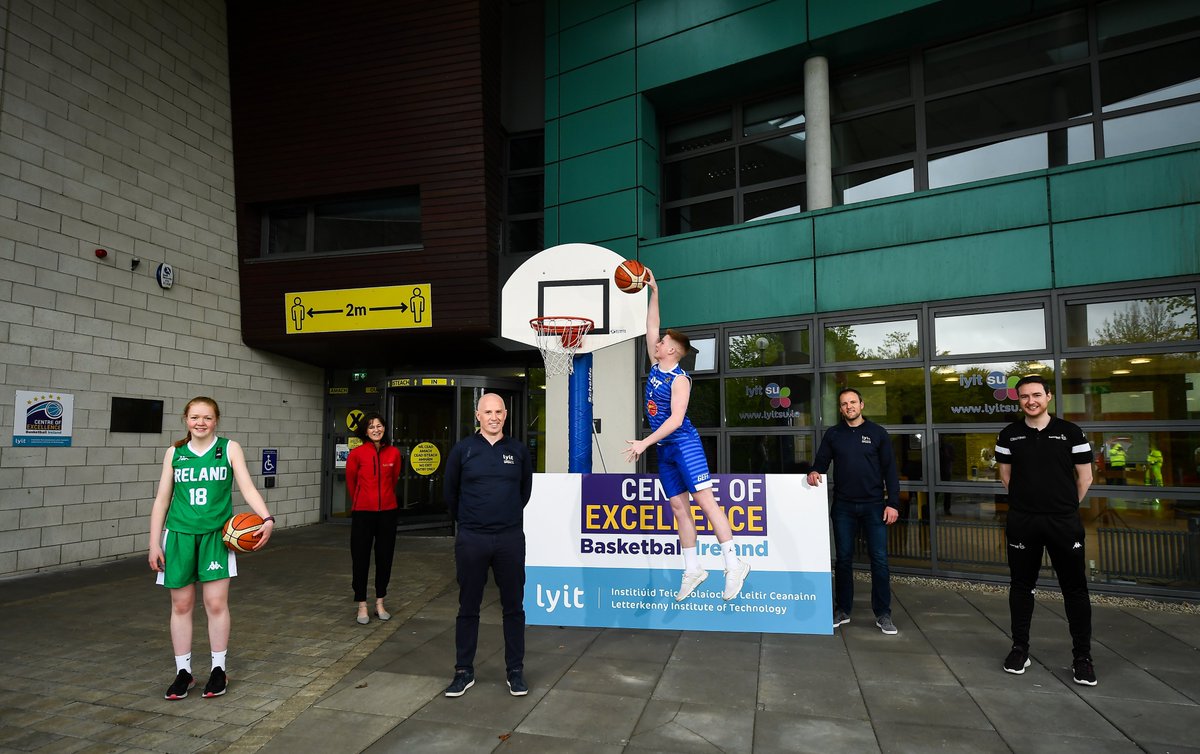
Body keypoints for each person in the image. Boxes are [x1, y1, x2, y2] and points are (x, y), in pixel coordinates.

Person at [624, 268, 751, 603]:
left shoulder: (680, 379)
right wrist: (655, 290)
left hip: (683, 443)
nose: (658, 342)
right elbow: (652, 325)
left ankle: (733, 564)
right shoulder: (655, 364)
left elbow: (676, 420)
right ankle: (693, 568)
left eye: (664, 342)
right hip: (664, 447)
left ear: (673, 352)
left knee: (705, 502)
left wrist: (644, 442)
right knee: (679, 507)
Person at [148, 396, 274, 700]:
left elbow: (246, 486)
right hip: (178, 535)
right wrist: (154, 542)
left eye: (206, 417)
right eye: (194, 417)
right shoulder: (175, 453)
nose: (200, 423)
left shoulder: (229, 449)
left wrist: (267, 518)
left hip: (216, 537)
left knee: (216, 605)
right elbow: (162, 499)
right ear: (185, 419)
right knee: (181, 606)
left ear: (215, 420)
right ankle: (183, 673)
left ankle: (218, 669)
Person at [994, 375, 1096, 686]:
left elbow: (1086, 478)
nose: (1031, 401)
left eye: (1036, 394)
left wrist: (1063, 507)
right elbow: (1006, 477)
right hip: (1024, 521)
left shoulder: (1071, 433)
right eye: (1024, 396)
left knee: (1075, 589)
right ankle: (1019, 649)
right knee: (1021, 587)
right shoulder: (1009, 435)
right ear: (1019, 399)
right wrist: (1030, 505)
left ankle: (1082, 658)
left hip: (1063, 522)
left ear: (1048, 396)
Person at [443, 393, 533, 698]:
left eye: (498, 412)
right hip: (472, 539)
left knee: (513, 607)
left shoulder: (519, 450)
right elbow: (450, 493)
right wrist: (471, 522)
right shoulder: (463, 450)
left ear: (505, 414)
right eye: (487, 412)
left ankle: (515, 671)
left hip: (509, 538)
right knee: (468, 606)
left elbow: (524, 492)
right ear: (477, 415)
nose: (493, 417)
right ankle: (463, 671)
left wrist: (502, 519)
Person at [807, 388, 900, 635]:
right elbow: (820, 463)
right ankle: (843, 610)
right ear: (840, 409)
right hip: (844, 507)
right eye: (844, 404)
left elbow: (890, 471)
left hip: (874, 506)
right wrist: (815, 471)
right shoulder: (834, 434)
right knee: (844, 560)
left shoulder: (877, 433)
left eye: (853, 402)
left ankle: (883, 614)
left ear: (862, 404)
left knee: (879, 560)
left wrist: (893, 503)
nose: (849, 406)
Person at [345, 412, 402, 624]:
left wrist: (383, 500)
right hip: (363, 513)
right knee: (360, 558)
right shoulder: (357, 454)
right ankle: (361, 604)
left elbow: (393, 478)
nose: (376, 430)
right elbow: (351, 483)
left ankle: (380, 602)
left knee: (385, 558)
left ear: (384, 428)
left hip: (388, 512)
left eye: (379, 426)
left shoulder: (394, 453)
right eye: (371, 427)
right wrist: (362, 501)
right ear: (365, 431)